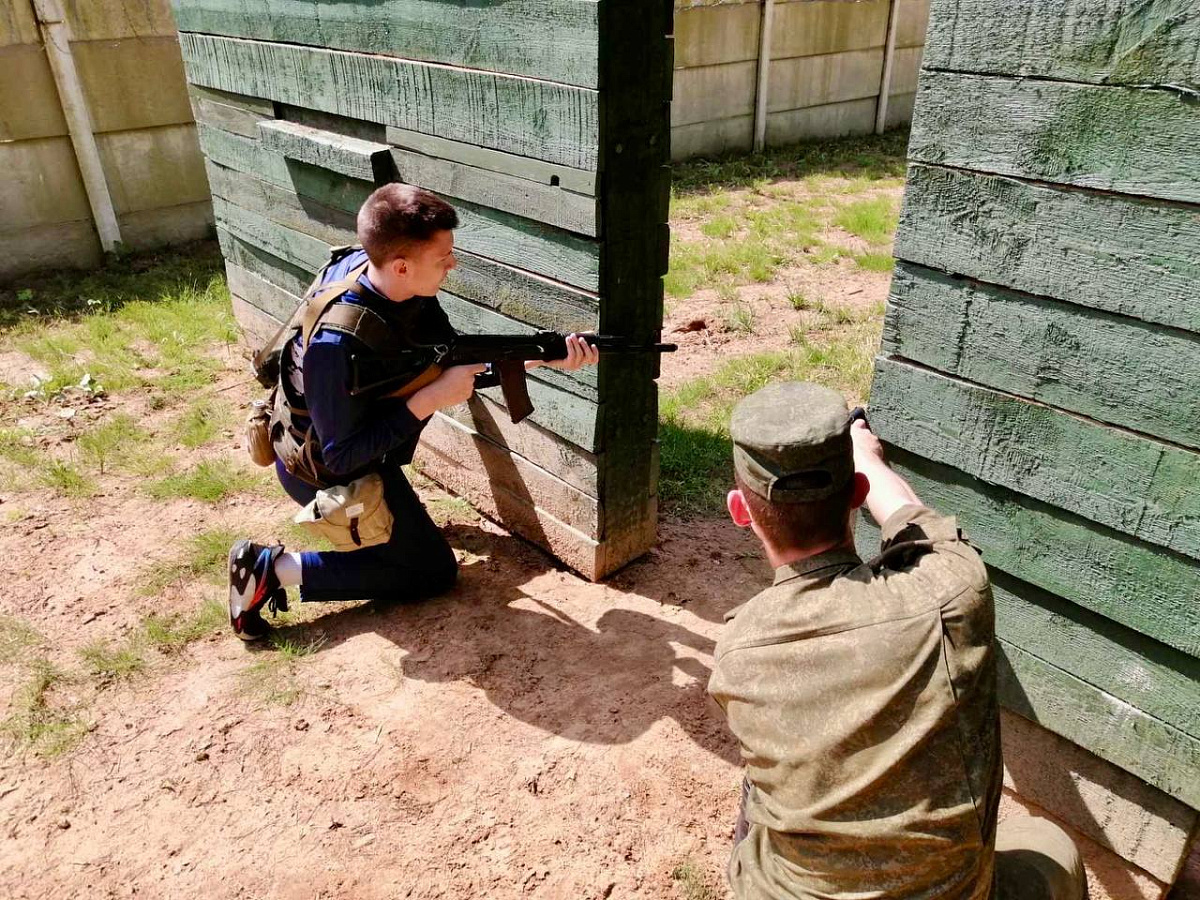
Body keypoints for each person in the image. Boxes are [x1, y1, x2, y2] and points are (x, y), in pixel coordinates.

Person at [708, 381, 1087, 900]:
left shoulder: (736, 653)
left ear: (739, 510)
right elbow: (909, 514)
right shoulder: (953, 593)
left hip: (778, 890)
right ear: (857, 493)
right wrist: (868, 458)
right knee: (1049, 844)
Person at [227, 184, 598, 640]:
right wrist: (431, 399)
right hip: (319, 468)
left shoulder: (391, 281)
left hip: (360, 437)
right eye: (443, 258)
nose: (452, 264)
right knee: (430, 572)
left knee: (414, 546)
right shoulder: (336, 346)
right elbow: (341, 456)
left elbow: (445, 362)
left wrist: (541, 357)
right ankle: (269, 569)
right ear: (402, 266)